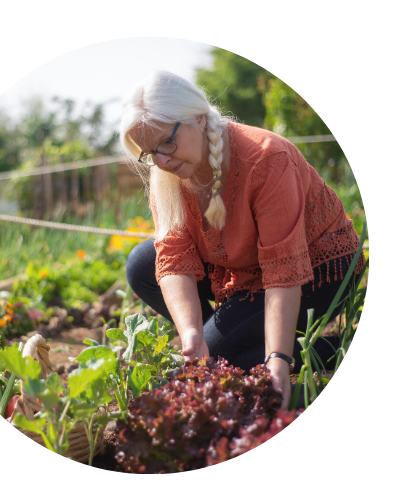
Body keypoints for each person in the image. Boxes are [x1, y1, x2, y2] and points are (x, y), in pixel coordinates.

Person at [121, 71, 366, 410]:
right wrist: (191, 333)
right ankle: (226, 342)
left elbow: (283, 271)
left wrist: (278, 357)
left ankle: (340, 348)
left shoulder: (267, 159)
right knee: (142, 264)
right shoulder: (168, 172)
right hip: (246, 268)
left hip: (318, 270)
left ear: (197, 118)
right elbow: (174, 257)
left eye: (166, 142)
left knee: (223, 354)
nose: (161, 161)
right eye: (149, 152)